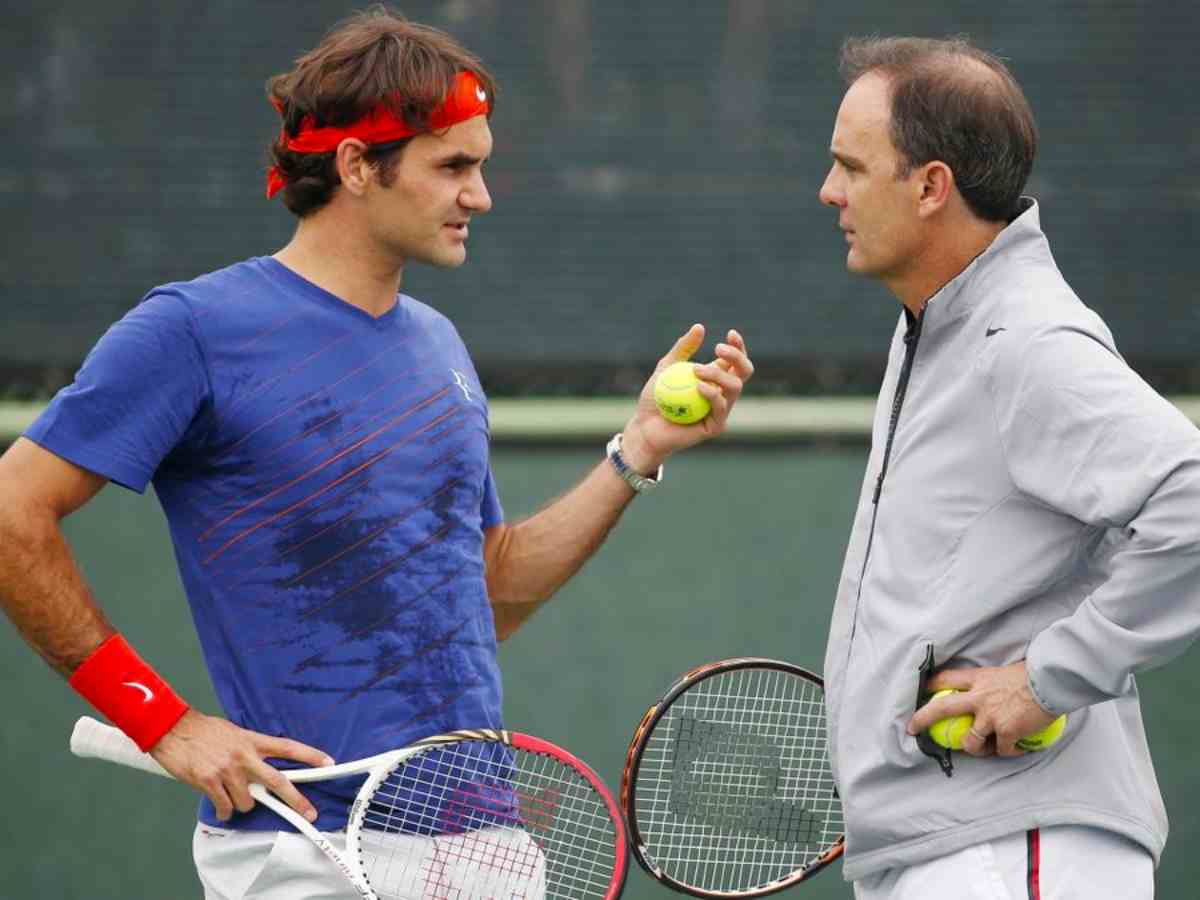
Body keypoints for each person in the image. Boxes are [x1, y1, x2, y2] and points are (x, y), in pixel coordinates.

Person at [0, 8, 753, 898]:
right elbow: (14, 511)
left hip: (486, 848)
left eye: (481, 165)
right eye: (453, 166)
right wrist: (162, 722)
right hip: (303, 852)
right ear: (358, 166)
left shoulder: (438, 344)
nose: (480, 195)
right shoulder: (192, 329)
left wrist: (635, 453)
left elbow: (485, 597)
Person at [817, 35, 1200, 899]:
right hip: (959, 846)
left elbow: (1193, 500)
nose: (829, 190)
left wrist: (1044, 679)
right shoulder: (935, 326)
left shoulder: (1022, 341)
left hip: (1015, 847)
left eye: (851, 166)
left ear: (930, 187)